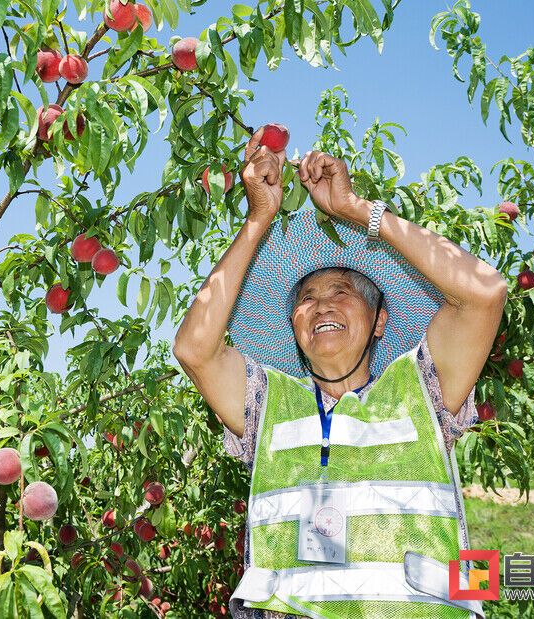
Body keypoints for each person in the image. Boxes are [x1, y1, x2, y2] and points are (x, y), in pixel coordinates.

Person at [172, 128, 508, 619]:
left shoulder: (421, 387)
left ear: (380, 322)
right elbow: (193, 349)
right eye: (306, 299)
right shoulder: (269, 401)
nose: (320, 306)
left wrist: (358, 211)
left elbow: (486, 291)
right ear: (293, 325)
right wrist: (259, 218)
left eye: (342, 293)